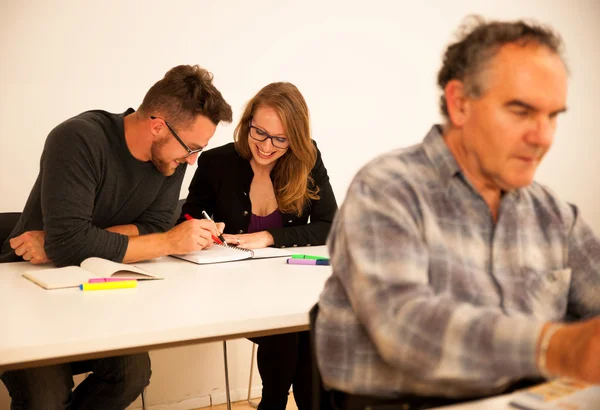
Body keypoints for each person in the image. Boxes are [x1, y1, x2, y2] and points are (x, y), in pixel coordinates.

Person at [316, 17, 600, 410]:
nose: (544, 137)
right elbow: (406, 328)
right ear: (460, 103)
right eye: (521, 111)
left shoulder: (552, 214)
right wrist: (555, 347)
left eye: (553, 116)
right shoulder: (386, 189)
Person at [0, 64, 232, 410]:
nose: (194, 160)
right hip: (28, 288)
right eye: (192, 148)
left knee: (132, 372)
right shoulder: (78, 139)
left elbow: (152, 224)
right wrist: (168, 242)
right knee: (46, 398)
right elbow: (153, 236)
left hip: (95, 286)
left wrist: (62, 243)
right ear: (157, 126)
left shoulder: (170, 159)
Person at [180, 82, 337, 410]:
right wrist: (204, 230)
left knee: (308, 326)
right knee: (291, 330)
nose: (266, 146)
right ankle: (274, 402)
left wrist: (269, 238)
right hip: (234, 291)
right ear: (247, 122)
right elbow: (186, 219)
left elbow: (330, 225)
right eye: (259, 133)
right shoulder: (216, 163)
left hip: (290, 287)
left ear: (295, 136)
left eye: (280, 139)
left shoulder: (308, 157)